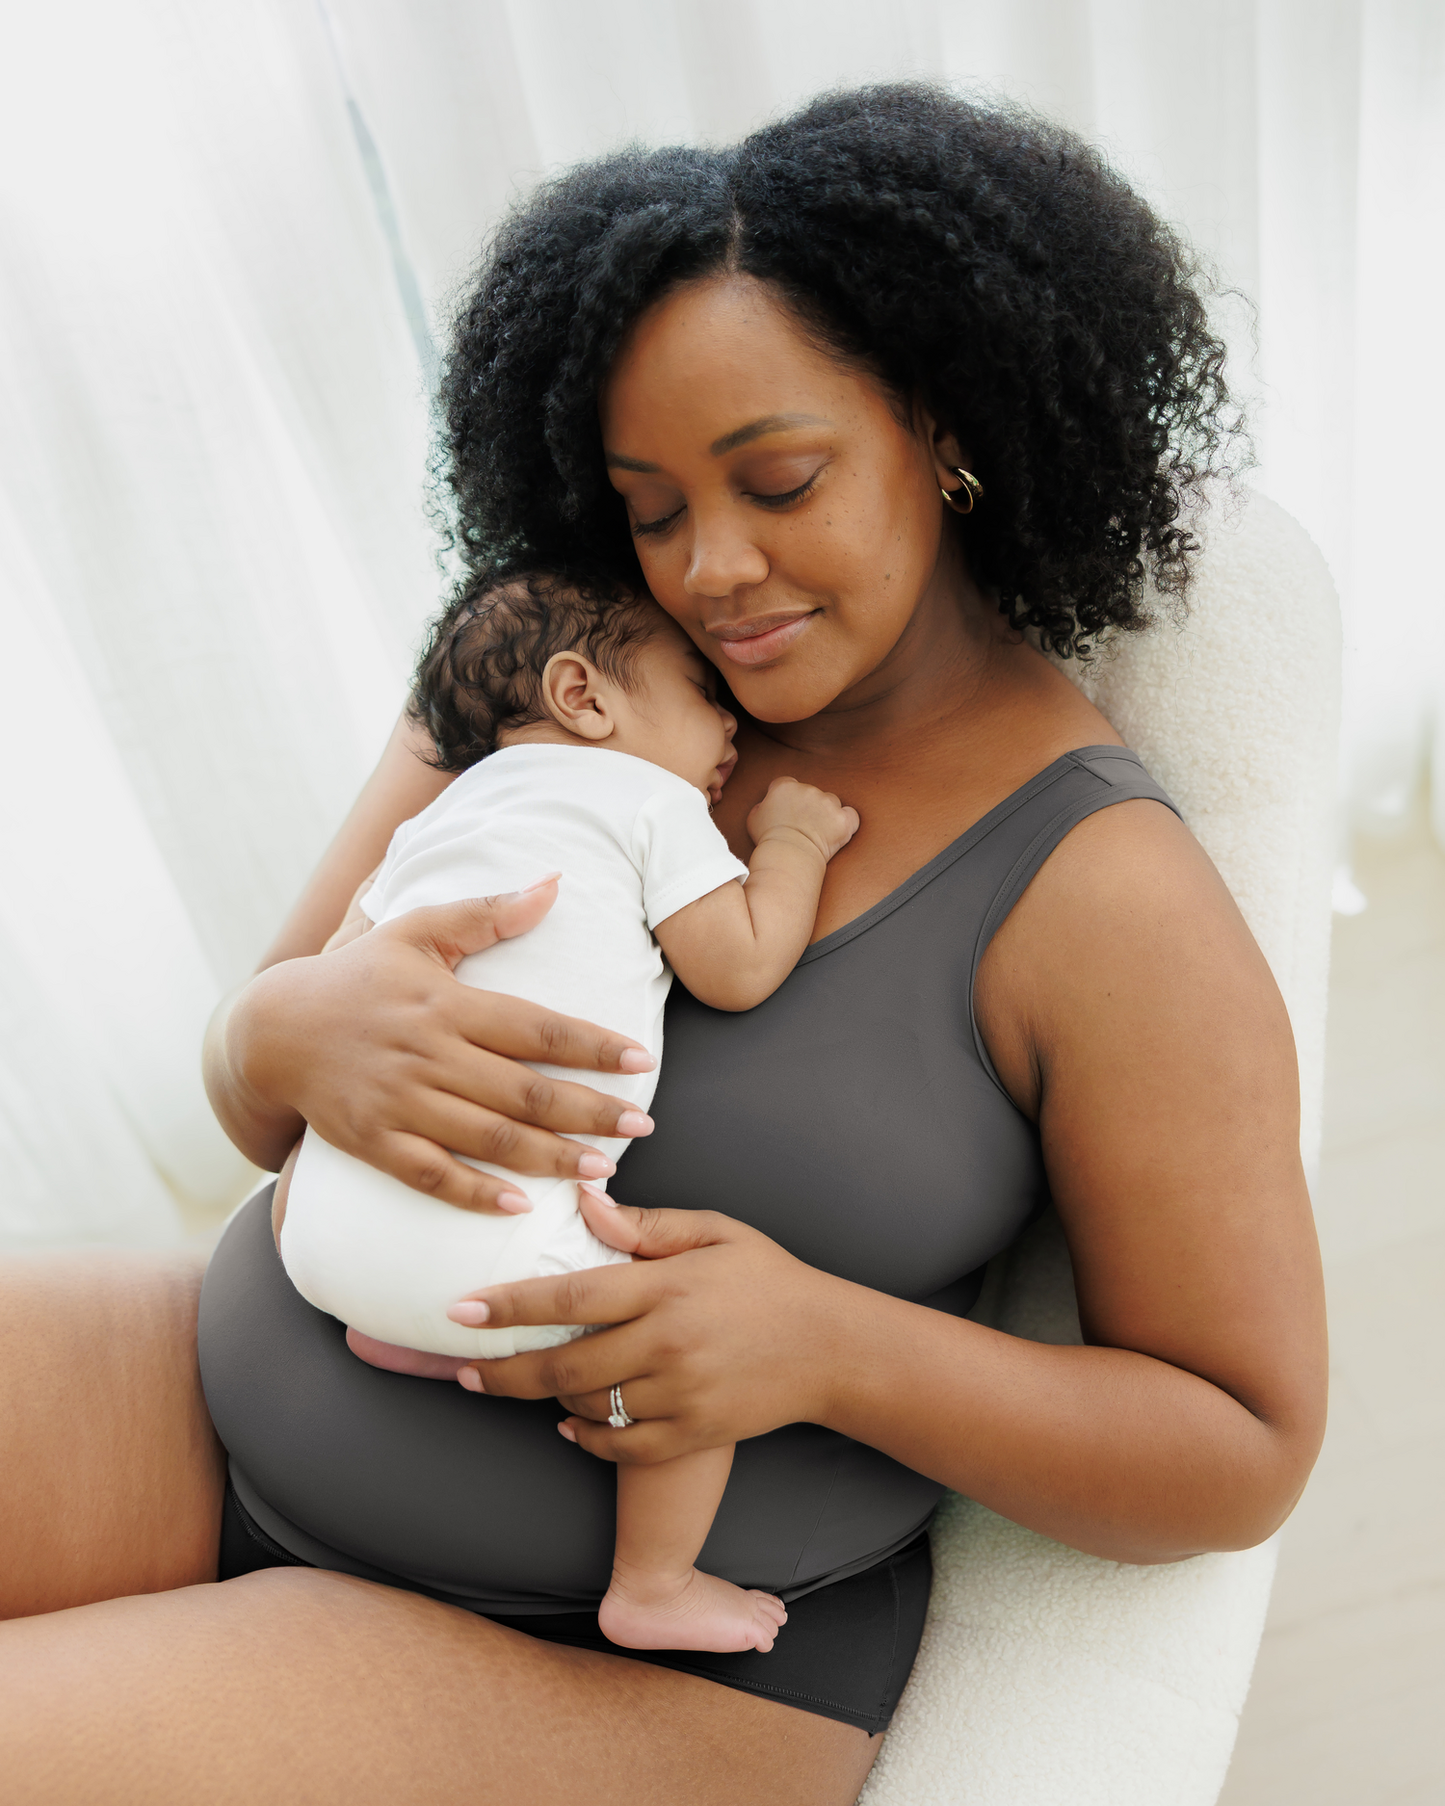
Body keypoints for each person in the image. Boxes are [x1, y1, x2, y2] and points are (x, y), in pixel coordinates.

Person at [0, 84, 1326, 1806]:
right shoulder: (561, 670)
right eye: (648, 505)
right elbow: (257, 1098)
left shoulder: (1097, 890)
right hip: (219, 1396)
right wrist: (275, 1039)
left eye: (781, 480)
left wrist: (824, 1339)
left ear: (947, 427)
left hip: (604, 1657)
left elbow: (1238, 1446)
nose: (712, 572)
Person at [277, 571, 858, 1654]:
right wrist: (790, 845)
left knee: (368, 1180)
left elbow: (332, 981)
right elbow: (733, 967)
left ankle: (403, 1325)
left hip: (310, 1249)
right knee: (687, 1347)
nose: (727, 716)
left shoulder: (437, 816)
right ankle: (653, 1583)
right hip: (496, 1261)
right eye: (699, 686)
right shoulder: (648, 799)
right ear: (584, 698)